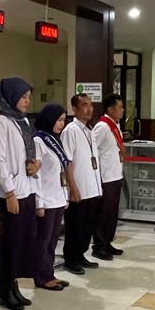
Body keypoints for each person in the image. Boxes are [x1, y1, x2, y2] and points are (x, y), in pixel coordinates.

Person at [0, 77, 40, 310]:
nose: (27, 101)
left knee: (21, 243)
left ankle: (13, 285)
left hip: (26, 189)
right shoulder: (0, 121)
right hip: (10, 194)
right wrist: (9, 192)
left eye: (29, 97)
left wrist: (36, 165)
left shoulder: (22, 121)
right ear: (10, 96)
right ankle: (4, 289)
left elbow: (28, 154)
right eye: (23, 97)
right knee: (8, 244)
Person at [61, 93, 102, 275]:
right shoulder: (71, 130)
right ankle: (71, 259)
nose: (89, 109)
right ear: (75, 109)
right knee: (75, 226)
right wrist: (72, 187)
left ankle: (80, 255)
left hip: (92, 187)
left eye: (90, 105)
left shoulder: (89, 130)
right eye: (84, 105)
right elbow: (67, 162)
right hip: (79, 188)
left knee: (87, 226)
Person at [32, 104, 71, 291]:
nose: (61, 124)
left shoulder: (56, 140)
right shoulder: (39, 141)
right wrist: (38, 202)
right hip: (46, 200)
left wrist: (65, 196)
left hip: (57, 198)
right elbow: (35, 174)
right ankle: (41, 276)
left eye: (63, 120)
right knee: (43, 241)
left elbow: (61, 171)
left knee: (53, 241)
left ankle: (49, 273)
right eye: (58, 120)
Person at [91, 93, 126, 261]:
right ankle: (98, 245)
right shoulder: (102, 126)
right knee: (103, 213)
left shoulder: (115, 125)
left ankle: (107, 241)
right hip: (105, 176)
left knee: (112, 212)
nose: (122, 110)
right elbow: (92, 149)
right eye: (120, 107)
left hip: (115, 174)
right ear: (110, 109)